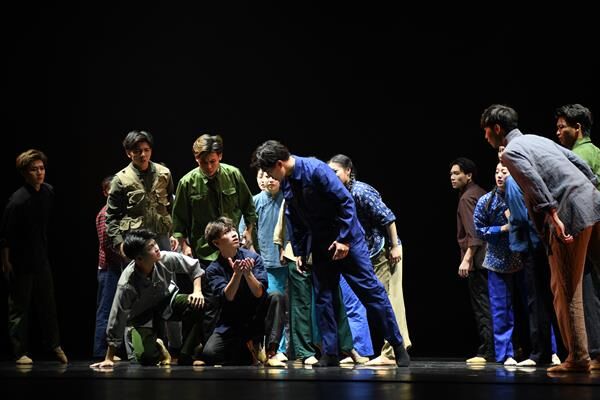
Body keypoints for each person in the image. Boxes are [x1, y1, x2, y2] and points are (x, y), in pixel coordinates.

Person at [251, 140, 409, 367]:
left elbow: (346, 203)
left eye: (269, 172)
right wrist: (300, 252)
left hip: (347, 241)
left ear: (279, 164)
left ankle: (397, 345)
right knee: (324, 298)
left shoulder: (316, 170)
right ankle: (330, 353)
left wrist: (343, 240)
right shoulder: (287, 181)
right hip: (321, 244)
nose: (269, 177)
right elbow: (294, 219)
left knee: (371, 293)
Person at [481, 103, 600, 372]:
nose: (485, 137)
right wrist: (589, 186)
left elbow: (533, 183)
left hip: (569, 212)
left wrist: (554, 216)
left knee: (566, 288)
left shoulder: (511, 152)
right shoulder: (537, 139)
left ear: (496, 128)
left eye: (486, 131)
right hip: (592, 203)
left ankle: (578, 358)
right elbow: (579, 163)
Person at [171, 134, 257, 347]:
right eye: (203, 162)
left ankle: (239, 343)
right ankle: (204, 347)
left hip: (233, 248)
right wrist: (184, 245)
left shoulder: (233, 174)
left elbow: (248, 207)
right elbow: (179, 219)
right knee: (207, 301)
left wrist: (248, 232)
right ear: (196, 159)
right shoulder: (187, 182)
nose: (209, 167)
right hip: (204, 250)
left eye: (213, 161)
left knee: (235, 295)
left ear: (220, 157)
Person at [328, 154, 409, 366]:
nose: (332, 176)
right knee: (366, 301)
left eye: (336, 172)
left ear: (348, 171)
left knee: (388, 300)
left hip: (383, 251)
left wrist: (394, 246)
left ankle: (391, 353)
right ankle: (363, 350)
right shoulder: (336, 193)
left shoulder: (361, 191)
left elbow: (388, 218)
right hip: (363, 254)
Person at [90, 229, 205, 368]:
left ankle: (186, 354)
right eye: (150, 247)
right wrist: (109, 357)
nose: (156, 248)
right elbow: (117, 318)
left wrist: (197, 291)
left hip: (166, 303)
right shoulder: (127, 284)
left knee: (197, 304)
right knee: (145, 358)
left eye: (155, 243)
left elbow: (194, 267)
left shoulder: (165, 258)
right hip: (142, 317)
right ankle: (158, 350)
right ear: (139, 258)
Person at [0, 149, 68, 365]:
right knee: (19, 308)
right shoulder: (17, 201)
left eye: (42, 168)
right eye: (34, 169)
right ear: (24, 173)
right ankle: (20, 351)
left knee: (48, 304)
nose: (39, 172)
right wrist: (5, 262)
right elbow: (5, 236)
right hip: (20, 262)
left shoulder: (48, 191)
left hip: (41, 258)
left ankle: (54, 345)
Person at [201, 217, 286, 367]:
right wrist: (237, 274)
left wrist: (247, 273)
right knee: (210, 353)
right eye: (227, 232)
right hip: (232, 323)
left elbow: (259, 293)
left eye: (233, 229)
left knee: (276, 297)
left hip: (256, 318)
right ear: (216, 243)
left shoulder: (253, 258)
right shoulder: (213, 269)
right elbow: (228, 297)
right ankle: (249, 350)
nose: (234, 234)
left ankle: (271, 352)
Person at [554, 104, 600, 369]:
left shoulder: (578, 155)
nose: (558, 132)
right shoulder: (595, 151)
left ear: (578, 128)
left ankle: (593, 352)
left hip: (586, 226)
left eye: (562, 127)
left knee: (584, 289)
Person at [473, 161, 523, 366]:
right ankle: (505, 354)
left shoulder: (522, 196)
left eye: (504, 171)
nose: (500, 175)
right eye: (497, 172)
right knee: (501, 309)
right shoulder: (486, 201)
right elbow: (479, 230)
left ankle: (546, 351)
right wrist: (502, 229)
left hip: (523, 257)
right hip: (496, 260)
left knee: (532, 307)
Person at [449, 157, 494, 364]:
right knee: (495, 304)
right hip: (491, 257)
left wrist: (466, 259)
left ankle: (488, 350)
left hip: (478, 259)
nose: (452, 177)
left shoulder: (467, 198)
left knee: (482, 305)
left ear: (469, 175)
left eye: (457, 173)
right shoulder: (480, 192)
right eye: (451, 174)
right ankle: (505, 346)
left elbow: (473, 234)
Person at [106, 130, 177, 253]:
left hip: (162, 236)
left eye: (146, 150)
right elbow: (112, 217)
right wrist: (120, 244)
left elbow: (171, 206)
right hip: (136, 240)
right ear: (128, 153)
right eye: (137, 151)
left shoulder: (164, 173)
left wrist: (174, 233)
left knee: (166, 264)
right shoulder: (120, 180)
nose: (143, 154)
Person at [93, 175, 125, 360]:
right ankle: (100, 352)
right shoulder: (105, 214)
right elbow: (107, 244)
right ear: (106, 192)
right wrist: (126, 255)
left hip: (115, 267)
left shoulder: (116, 212)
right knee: (105, 310)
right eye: (112, 190)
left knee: (115, 310)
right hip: (109, 268)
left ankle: (111, 351)